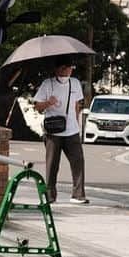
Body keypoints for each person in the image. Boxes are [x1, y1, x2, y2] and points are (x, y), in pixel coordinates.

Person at [33, 58, 87, 204]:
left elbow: (76, 105)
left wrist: (77, 124)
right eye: (66, 68)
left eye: (70, 68)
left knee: (78, 162)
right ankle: (50, 195)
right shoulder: (47, 84)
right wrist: (48, 103)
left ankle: (78, 194)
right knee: (52, 164)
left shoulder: (74, 83)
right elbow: (37, 106)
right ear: (58, 69)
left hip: (72, 130)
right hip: (53, 131)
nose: (68, 71)